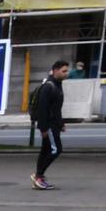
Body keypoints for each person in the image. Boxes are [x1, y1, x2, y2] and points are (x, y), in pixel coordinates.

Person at [31, 59, 68, 190]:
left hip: (54, 124)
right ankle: (38, 176)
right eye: (64, 71)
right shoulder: (49, 86)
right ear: (56, 71)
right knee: (56, 149)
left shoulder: (58, 84)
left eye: (66, 71)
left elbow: (56, 108)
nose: (66, 74)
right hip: (49, 125)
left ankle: (38, 176)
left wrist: (61, 123)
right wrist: (43, 128)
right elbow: (43, 108)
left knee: (46, 150)